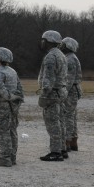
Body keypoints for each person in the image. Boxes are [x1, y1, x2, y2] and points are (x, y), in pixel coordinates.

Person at [0, 47, 24, 167]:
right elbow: (20, 88)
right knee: (12, 130)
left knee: (2, 130)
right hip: (13, 105)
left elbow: (0, 89)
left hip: (3, 104)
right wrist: (16, 100)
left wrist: (9, 98)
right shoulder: (12, 71)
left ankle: (5, 158)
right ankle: (12, 157)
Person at [37, 30, 68, 162]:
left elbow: (48, 78)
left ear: (48, 41)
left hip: (52, 93)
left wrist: (44, 93)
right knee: (59, 121)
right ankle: (62, 149)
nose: (42, 43)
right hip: (60, 92)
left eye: (43, 40)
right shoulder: (61, 55)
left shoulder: (50, 57)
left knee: (52, 123)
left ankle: (55, 152)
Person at [61, 37, 83, 152]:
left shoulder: (69, 59)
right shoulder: (72, 58)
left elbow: (68, 79)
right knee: (72, 116)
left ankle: (67, 142)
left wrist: (63, 92)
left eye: (63, 44)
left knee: (68, 116)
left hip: (70, 91)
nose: (61, 46)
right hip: (74, 89)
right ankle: (73, 141)